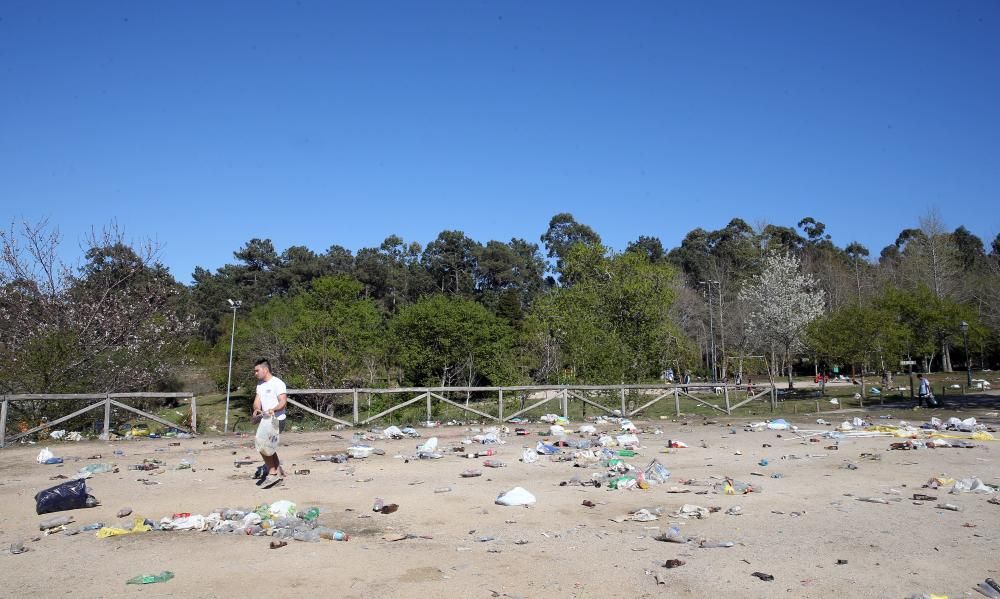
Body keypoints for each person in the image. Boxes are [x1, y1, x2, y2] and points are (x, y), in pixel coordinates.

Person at [252, 358, 288, 487]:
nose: (255, 373)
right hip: (265, 420)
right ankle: (278, 472)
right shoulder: (260, 385)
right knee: (269, 446)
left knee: (262, 444)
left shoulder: (278, 383)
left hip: (277, 420)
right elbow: (257, 400)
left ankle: (272, 473)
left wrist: (273, 409)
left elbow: (283, 401)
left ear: (265, 369)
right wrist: (257, 409)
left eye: (257, 370)